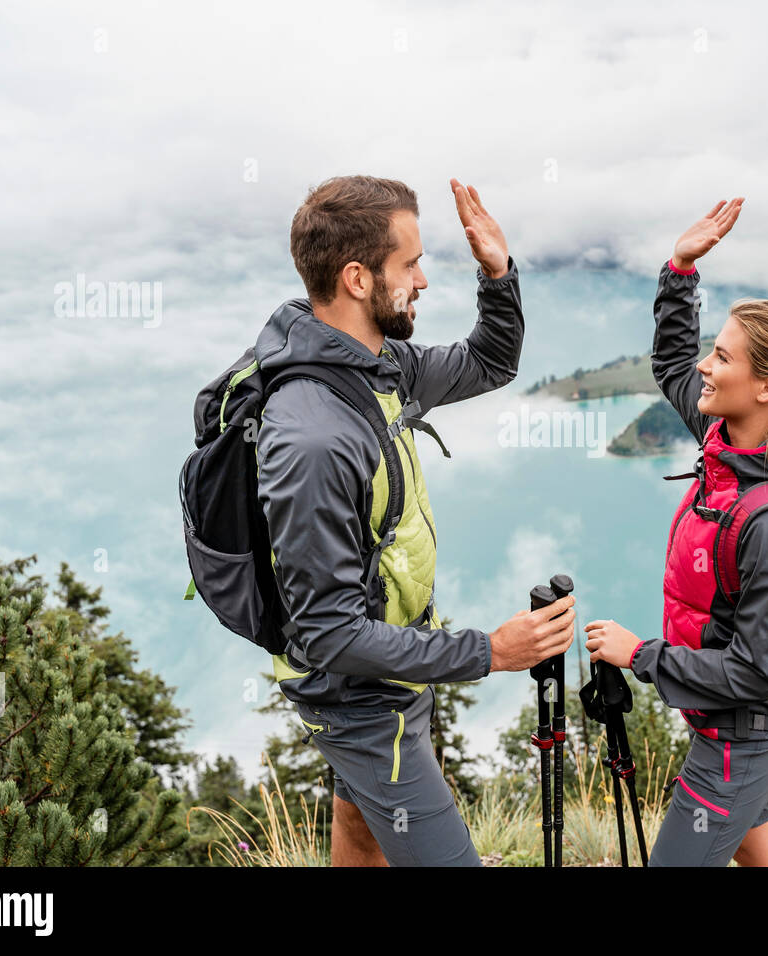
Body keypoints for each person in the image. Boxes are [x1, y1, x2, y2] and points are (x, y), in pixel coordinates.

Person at [256, 175, 575, 866]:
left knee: (362, 833)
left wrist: (497, 273)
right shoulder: (314, 437)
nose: (424, 280)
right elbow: (330, 635)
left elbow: (491, 362)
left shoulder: (376, 369)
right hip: (361, 696)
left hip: (387, 666)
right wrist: (490, 652)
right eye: (410, 264)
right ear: (357, 278)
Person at [584, 197, 768, 867]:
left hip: (742, 735)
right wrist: (680, 270)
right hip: (734, 726)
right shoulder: (732, 447)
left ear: (767, 388)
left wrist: (641, 655)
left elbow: (757, 672)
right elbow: (672, 365)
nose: (704, 366)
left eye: (721, 357)